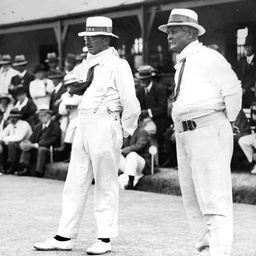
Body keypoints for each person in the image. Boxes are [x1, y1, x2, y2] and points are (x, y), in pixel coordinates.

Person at [33, 16, 140, 254]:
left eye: (93, 38)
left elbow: (131, 103)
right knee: (75, 181)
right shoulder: (89, 64)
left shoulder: (117, 65)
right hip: (85, 124)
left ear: (106, 39)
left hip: (106, 124)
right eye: (86, 37)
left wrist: (123, 130)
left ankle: (104, 239)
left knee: (105, 183)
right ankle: (64, 236)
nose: (88, 42)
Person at [158, 8, 242, 256]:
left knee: (213, 199)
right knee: (192, 199)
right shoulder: (182, 62)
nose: (169, 36)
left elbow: (233, 90)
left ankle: (219, 253)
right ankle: (204, 251)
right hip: (186, 134)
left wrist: (228, 121)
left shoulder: (208, 57)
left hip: (207, 130)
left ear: (191, 32)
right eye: (168, 31)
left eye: (174, 31)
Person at [17, 104, 61, 177]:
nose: (43, 117)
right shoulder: (37, 126)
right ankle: (23, 167)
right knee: (26, 146)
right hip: (37, 147)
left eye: (45, 115)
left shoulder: (55, 126)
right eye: (41, 116)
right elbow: (31, 139)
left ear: (49, 115)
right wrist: (27, 143)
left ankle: (39, 172)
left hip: (51, 150)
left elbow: (51, 141)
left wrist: (34, 145)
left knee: (41, 149)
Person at [118, 118, 151, 190]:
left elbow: (139, 146)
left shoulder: (142, 132)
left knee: (132, 155)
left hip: (142, 163)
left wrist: (123, 150)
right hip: (130, 164)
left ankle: (131, 181)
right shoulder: (126, 133)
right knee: (116, 154)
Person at [55, 74, 82, 161]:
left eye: (73, 84)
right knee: (65, 132)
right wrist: (65, 102)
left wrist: (64, 101)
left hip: (79, 119)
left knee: (74, 139)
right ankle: (68, 156)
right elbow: (61, 110)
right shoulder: (64, 95)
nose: (70, 87)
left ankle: (71, 156)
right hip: (68, 119)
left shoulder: (80, 93)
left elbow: (75, 102)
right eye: (68, 86)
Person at [0, 108, 32, 174]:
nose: (12, 119)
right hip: (15, 147)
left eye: (14, 117)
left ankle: (12, 165)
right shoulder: (10, 125)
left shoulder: (24, 124)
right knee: (3, 143)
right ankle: (3, 166)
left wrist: (4, 139)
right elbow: (2, 134)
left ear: (18, 117)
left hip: (25, 146)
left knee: (11, 144)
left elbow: (18, 138)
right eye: (11, 117)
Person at [233, 35, 256, 108]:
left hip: (251, 95)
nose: (247, 49)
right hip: (240, 95)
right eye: (246, 47)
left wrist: (245, 88)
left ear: (253, 47)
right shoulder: (241, 61)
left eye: (249, 47)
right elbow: (235, 75)